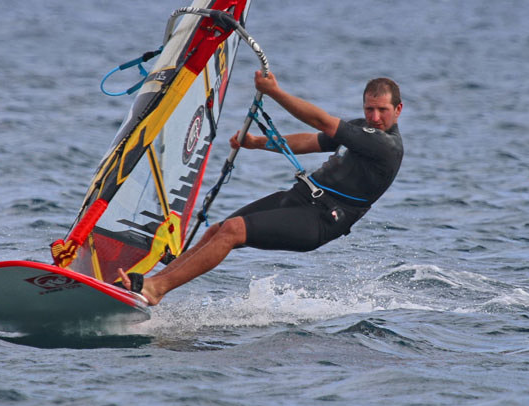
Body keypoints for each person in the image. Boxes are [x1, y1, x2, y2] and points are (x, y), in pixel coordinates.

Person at [117, 71, 405, 305]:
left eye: (383, 110)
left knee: (232, 232)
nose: (375, 117)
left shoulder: (385, 145)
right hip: (302, 198)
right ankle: (151, 285)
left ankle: (155, 288)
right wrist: (257, 143)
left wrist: (275, 93)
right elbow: (311, 140)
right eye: (369, 109)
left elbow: (321, 121)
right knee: (219, 229)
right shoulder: (363, 129)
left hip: (321, 220)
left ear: (398, 110)